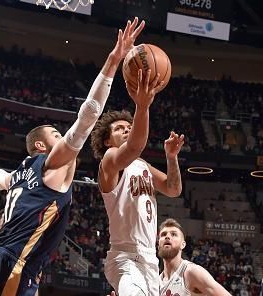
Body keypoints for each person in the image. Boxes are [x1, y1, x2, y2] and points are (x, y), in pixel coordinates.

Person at [0, 17, 145, 296]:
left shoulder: (20, 173)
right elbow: (88, 115)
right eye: (54, 134)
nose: (61, 135)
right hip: (12, 265)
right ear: (41, 146)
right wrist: (112, 62)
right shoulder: (52, 164)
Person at [90, 73, 184, 296]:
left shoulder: (141, 165)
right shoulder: (110, 160)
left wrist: (171, 158)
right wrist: (142, 107)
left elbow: (173, 189)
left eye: (129, 126)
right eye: (119, 128)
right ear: (106, 140)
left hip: (150, 258)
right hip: (125, 256)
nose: (126, 129)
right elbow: (134, 147)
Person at [158, 218, 231, 296]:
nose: (167, 237)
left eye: (174, 234)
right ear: (158, 244)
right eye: (163, 234)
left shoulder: (191, 272)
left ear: (183, 245)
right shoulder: (156, 281)